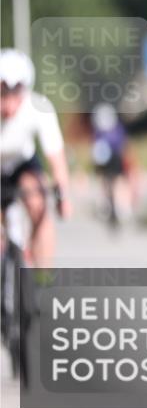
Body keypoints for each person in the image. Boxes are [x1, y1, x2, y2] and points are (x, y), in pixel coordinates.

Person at [0, 49, 72, 266]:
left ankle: (42, 275)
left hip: (22, 163)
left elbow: (56, 158)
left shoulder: (38, 108)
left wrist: (63, 196)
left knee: (38, 202)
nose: (8, 103)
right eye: (2, 93)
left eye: (15, 94)